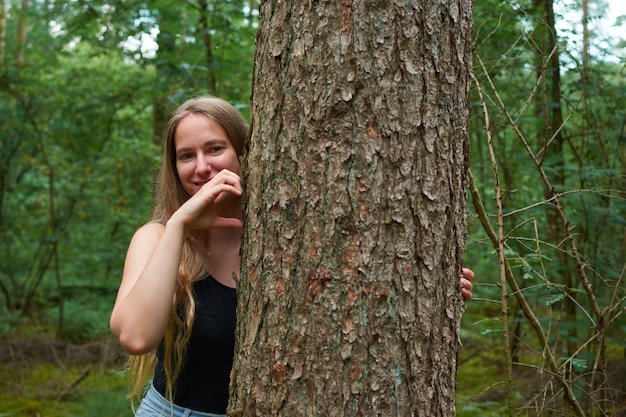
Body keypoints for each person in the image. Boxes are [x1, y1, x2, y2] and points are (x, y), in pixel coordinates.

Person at [110, 96, 475, 417]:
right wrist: (179, 226)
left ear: (244, 152)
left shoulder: (286, 235)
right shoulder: (157, 237)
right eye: (186, 156)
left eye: (215, 149)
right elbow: (136, 338)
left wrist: (424, 292)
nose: (201, 167)